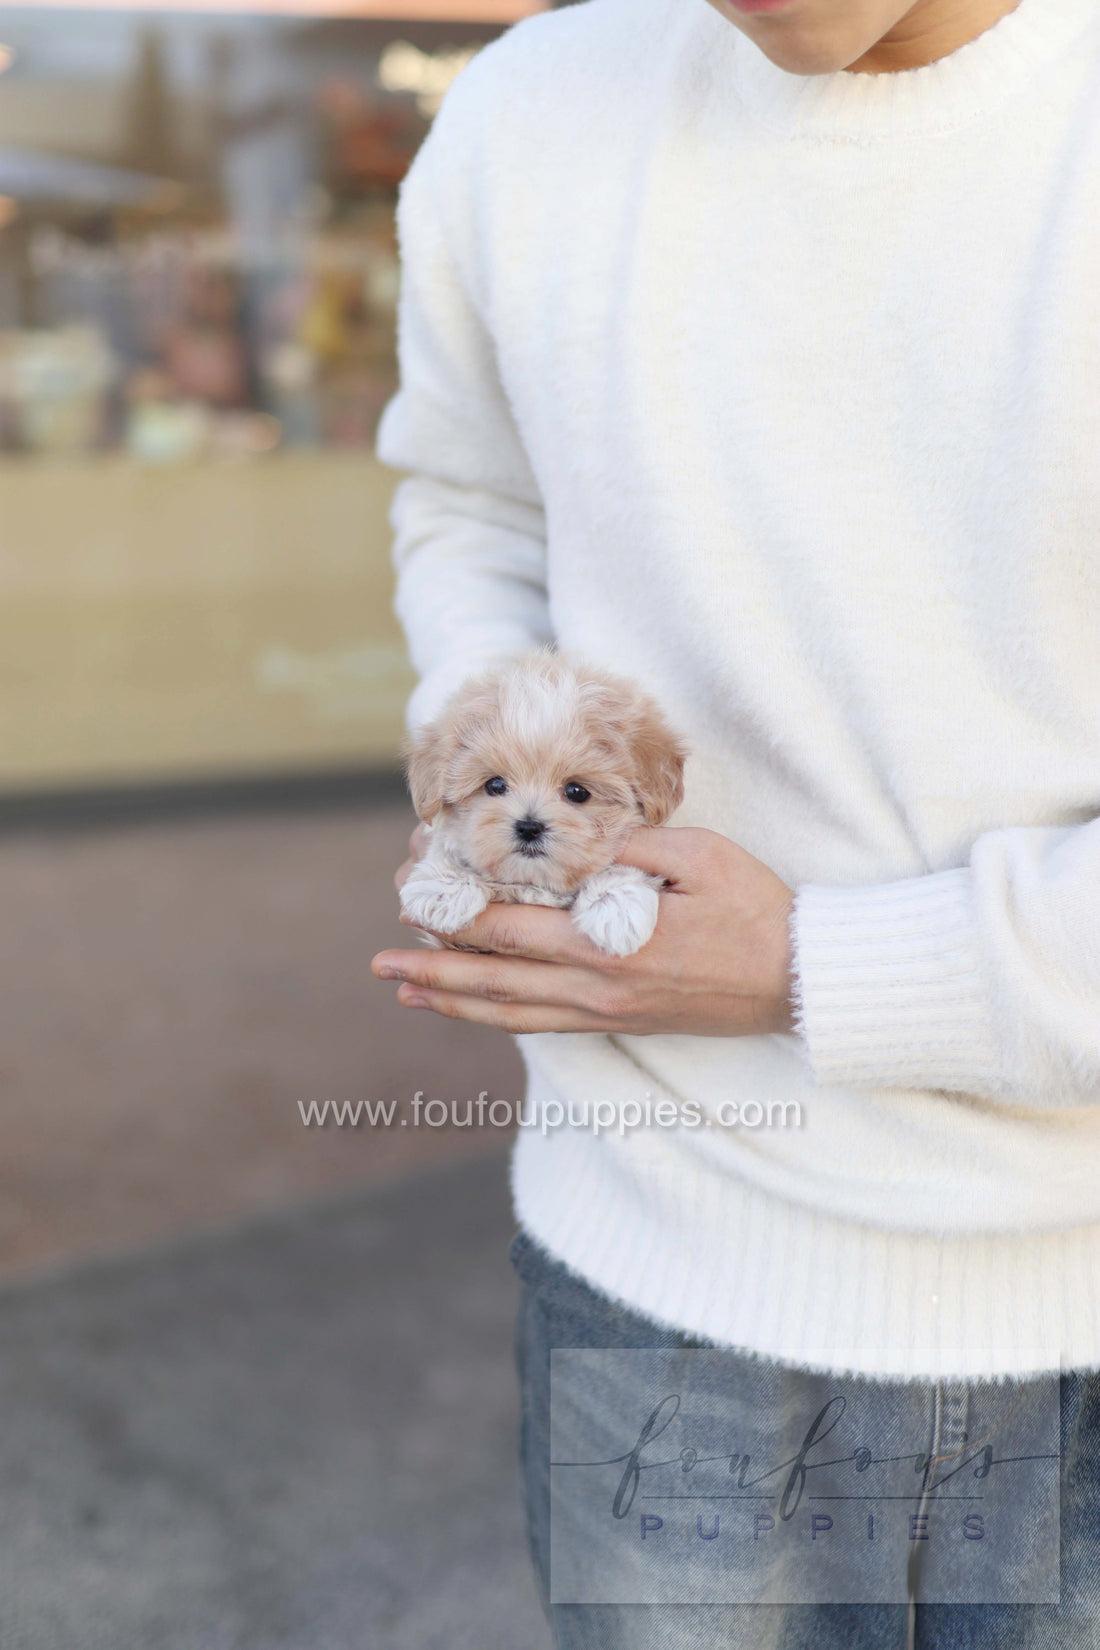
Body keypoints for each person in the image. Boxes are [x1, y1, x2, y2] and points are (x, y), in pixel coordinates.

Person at [370, 0, 1100, 1642]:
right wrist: (498, 764)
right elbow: (473, 496)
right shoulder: (528, 107)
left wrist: (814, 963)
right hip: (654, 1271)